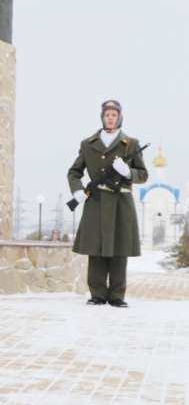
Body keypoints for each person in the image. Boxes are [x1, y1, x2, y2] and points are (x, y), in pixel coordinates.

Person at [67, 99, 147, 308]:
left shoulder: (131, 143)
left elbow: (143, 174)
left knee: (119, 248)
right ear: (102, 117)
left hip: (121, 201)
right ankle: (97, 294)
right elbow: (74, 172)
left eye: (114, 115)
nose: (110, 118)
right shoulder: (88, 143)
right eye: (107, 115)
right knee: (96, 247)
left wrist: (128, 172)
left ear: (119, 117)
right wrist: (77, 191)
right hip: (96, 200)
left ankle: (117, 296)